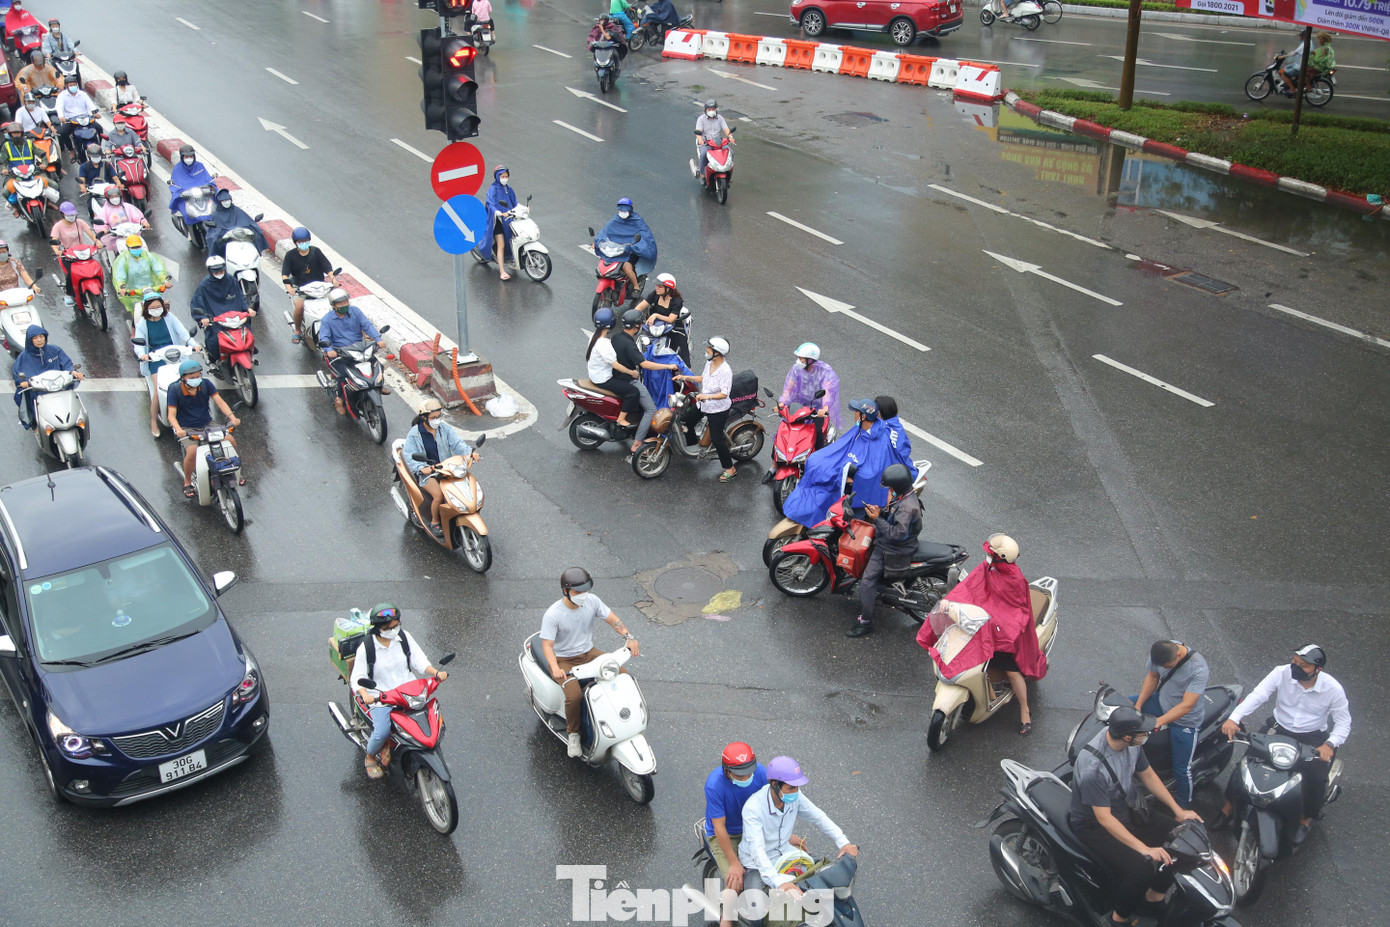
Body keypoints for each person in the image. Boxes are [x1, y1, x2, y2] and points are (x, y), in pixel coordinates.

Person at [1069, 706, 1202, 926]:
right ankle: (1117, 919)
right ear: (1128, 736)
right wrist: (1144, 849)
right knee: (1141, 869)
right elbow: (1104, 818)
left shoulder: (1131, 744)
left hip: (1126, 808)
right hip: (1094, 824)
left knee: (1180, 840)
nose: (1147, 735)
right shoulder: (1092, 769)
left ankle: (1153, 897)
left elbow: (1148, 775)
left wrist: (1179, 812)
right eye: (1143, 733)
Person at [1218, 644, 1350, 843]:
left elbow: (1343, 722)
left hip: (1312, 736)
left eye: (1303, 665)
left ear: (1318, 669)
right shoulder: (1281, 673)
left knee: (1316, 777)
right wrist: (1234, 718)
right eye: (1294, 662)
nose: (1295, 668)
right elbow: (1258, 695)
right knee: (1244, 766)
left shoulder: (1333, 689)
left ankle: (1306, 818)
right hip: (1278, 728)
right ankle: (1228, 808)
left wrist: (1329, 744)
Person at [917, 534, 1047, 733]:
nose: (987, 555)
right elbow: (969, 588)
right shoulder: (987, 567)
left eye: (991, 553)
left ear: (1000, 557)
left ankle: (1024, 710)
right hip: (981, 624)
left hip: (1004, 632)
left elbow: (1016, 610)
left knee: (1012, 671)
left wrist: (997, 624)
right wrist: (950, 603)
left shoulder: (1015, 579)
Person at [738, 756, 858, 927]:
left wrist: (843, 842)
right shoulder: (753, 809)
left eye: (797, 787)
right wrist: (781, 883)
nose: (795, 791)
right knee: (757, 915)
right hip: (757, 864)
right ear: (774, 784)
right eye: (791, 787)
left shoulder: (794, 796)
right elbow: (758, 852)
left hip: (784, 852)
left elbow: (818, 817)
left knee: (823, 879)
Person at [538, 568, 639, 758]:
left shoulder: (592, 601)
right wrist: (555, 668)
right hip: (564, 660)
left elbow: (613, 619)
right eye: (577, 592)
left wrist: (629, 636)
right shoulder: (553, 614)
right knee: (574, 696)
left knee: (624, 676)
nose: (582, 596)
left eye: (585, 591)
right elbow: (547, 645)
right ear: (566, 591)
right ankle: (573, 734)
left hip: (588, 653)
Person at [781, 398, 917, 531]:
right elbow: (843, 447)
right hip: (848, 470)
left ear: (863, 416)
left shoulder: (882, 439)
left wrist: (847, 473)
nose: (853, 414)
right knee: (816, 468)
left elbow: (872, 470)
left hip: (864, 489)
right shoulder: (860, 427)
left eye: (856, 412)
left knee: (848, 519)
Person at [351, 604, 448, 779]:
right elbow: (356, 677)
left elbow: (419, 660)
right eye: (389, 628)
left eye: (396, 625)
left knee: (428, 721)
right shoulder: (366, 648)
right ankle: (371, 756)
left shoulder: (404, 637)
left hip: (409, 692)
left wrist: (436, 673)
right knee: (381, 731)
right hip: (382, 696)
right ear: (378, 628)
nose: (394, 630)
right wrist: (365, 694)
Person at [846, 463, 923, 639]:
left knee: (866, 582)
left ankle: (865, 622)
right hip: (894, 542)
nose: (889, 490)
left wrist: (877, 519)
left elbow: (896, 535)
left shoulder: (906, 507)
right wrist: (880, 512)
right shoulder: (906, 496)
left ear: (897, 486)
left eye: (890, 487)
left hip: (892, 547)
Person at [1132, 639, 1209, 809]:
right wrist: (1137, 707)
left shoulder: (1199, 668)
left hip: (1185, 721)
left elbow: (1187, 705)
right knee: (1123, 708)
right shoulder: (1159, 651)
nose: (1165, 669)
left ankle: (1184, 807)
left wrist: (1158, 722)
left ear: (1179, 655)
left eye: (1168, 666)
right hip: (1161, 702)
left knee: (1182, 770)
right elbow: (1153, 676)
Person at [704, 742, 769, 927]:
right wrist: (734, 862)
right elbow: (719, 827)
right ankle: (726, 919)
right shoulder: (714, 785)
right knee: (736, 883)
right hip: (726, 835)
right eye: (740, 774)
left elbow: (772, 806)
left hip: (754, 827)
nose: (746, 776)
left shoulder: (761, 774)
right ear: (726, 771)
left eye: (749, 771)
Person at [402, 398, 477, 538]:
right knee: (439, 495)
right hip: (428, 473)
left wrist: (470, 453)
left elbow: (457, 443)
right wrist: (422, 467)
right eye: (433, 418)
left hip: (446, 468)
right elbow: (410, 455)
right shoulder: (414, 434)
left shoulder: (444, 429)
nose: (437, 420)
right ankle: (435, 522)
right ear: (424, 417)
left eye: (439, 416)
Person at [167, 357, 241, 497]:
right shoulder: (175, 390)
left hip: (207, 424)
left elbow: (219, 402)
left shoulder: (206, 384)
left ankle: (234, 472)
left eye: (198, 375)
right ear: (183, 378)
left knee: (230, 441)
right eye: (192, 377)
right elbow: (171, 415)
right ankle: (188, 482)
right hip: (187, 428)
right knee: (192, 451)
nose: (197, 378)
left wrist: (232, 417)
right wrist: (179, 429)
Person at [132, 291, 197, 437]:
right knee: (157, 390)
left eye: (158, 306)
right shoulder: (143, 324)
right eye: (152, 307)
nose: (156, 310)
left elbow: (184, 334)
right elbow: (139, 343)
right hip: (156, 359)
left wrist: (194, 345)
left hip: (175, 355)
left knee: (190, 382)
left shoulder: (170, 318)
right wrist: (142, 355)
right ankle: (154, 421)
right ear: (147, 309)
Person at [675, 336, 737, 482]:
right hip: (703, 403)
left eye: (708, 349)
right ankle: (692, 447)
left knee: (716, 438)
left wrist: (707, 397)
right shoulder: (709, 363)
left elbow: (724, 394)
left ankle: (730, 469)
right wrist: (685, 377)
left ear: (716, 352)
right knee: (685, 422)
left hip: (718, 409)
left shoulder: (725, 371)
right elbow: (703, 379)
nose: (706, 351)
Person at [612, 308, 670, 452]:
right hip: (628, 380)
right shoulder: (630, 345)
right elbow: (644, 364)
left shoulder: (616, 337)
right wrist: (667, 365)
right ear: (636, 326)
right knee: (651, 410)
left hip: (614, 376)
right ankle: (637, 443)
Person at [319, 288, 383, 415]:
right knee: (344, 375)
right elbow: (324, 337)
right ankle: (340, 399)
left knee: (377, 365)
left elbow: (367, 325)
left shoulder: (355, 312)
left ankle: (378, 386)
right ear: (333, 305)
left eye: (345, 302)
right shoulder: (327, 319)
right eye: (340, 303)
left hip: (360, 350)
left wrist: (378, 339)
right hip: (340, 353)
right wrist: (329, 349)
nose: (344, 305)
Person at [11, 325, 80, 430]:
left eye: (41, 337)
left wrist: (73, 372)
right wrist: (22, 382)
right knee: (25, 398)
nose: (39, 340)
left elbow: (66, 364)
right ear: (30, 340)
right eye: (35, 338)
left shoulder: (55, 350)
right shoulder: (24, 357)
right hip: (38, 392)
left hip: (59, 388)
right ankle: (34, 423)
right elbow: (18, 372)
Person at [190, 255, 252, 364]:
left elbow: (240, 296)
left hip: (235, 318)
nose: (219, 274)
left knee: (247, 334)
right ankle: (216, 362)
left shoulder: (231, 280)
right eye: (216, 272)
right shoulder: (204, 285)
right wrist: (202, 317)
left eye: (221, 271)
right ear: (210, 271)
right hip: (216, 321)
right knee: (214, 340)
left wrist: (248, 309)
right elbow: (197, 303)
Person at [585, 306, 640, 430]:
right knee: (633, 392)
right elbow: (616, 365)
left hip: (595, 375)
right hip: (603, 379)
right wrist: (632, 372)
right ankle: (621, 419)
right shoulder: (604, 343)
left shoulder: (594, 337)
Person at [594, 197, 656, 300]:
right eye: (621, 209)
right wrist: (597, 241)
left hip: (632, 250)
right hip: (618, 249)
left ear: (630, 209)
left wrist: (636, 245)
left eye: (625, 209)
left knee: (626, 267)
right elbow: (605, 231)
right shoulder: (616, 219)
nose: (623, 212)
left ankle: (636, 287)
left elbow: (645, 235)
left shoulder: (637, 221)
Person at [283, 226, 335, 344]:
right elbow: (285, 274)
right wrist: (289, 287)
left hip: (319, 288)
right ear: (295, 243)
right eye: (300, 242)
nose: (303, 243)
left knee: (335, 303)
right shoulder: (290, 255)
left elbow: (328, 267)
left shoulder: (316, 252)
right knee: (299, 306)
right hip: (300, 289)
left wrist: (333, 279)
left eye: (305, 241)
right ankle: (297, 330)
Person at [780, 342, 841, 441]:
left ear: (810, 359)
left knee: (817, 435)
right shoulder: (796, 368)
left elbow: (828, 390)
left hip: (816, 409)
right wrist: (782, 402)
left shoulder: (825, 371)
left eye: (801, 358)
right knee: (785, 430)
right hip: (798, 407)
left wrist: (825, 407)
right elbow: (789, 387)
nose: (799, 361)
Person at [632, 272, 689, 365]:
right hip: (653, 326)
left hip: (671, 327)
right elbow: (640, 307)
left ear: (668, 288)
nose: (657, 288)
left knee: (682, 342)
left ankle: (687, 370)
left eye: (660, 286)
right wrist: (633, 315)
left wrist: (656, 315)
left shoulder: (677, 301)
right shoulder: (655, 294)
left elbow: (671, 319)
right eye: (656, 286)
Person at [49, 202, 99, 305]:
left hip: (83, 252)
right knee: (71, 274)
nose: (71, 217)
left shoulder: (80, 222)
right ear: (62, 214)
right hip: (68, 254)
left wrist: (97, 242)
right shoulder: (58, 226)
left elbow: (90, 234)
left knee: (95, 268)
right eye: (69, 215)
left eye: (73, 214)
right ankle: (69, 294)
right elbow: (54, 241)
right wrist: (58, 251)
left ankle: (99, 288)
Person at [111, 233, 169, 315]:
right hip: (134, 294)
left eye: (138, 247)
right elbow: (119, 277)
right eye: (133, 247)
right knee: (137, 316)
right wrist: (121, 287)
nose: (136, 249)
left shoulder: (149, 256)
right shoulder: (123, 260)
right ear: (128, 247)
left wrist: (165, 281)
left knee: (163, 311)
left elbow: (159, 270)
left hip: (151, 291)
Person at [202, 187, 268, 258]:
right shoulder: (216, 215)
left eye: (228, 200)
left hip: (241, 237)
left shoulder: (236, 210)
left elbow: (248, 222)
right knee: (214, 241)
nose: (227, 202)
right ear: (219, 202)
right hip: (226, 241)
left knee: (256, 232)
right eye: (224, 201)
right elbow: (214, 232)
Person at [479, 165, 518, 279]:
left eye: (506, 176)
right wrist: (497, 212)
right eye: (502, 176)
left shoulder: (508, 189)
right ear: (497, 176)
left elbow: (514, 202)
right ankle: (502, 271)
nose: (504, 178)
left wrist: (523, 208)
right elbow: (490, 203)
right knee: (501, 245)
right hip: (497, 221)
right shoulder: (493, 189)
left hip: (508, 219)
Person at [55, 76, 100, 158]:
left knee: (99, 128)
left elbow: (90, 104)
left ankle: (98, 148)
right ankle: (71, 151)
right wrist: (61, 117)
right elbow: (59, 107)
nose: (73, 87)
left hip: (85, 119)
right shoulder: (62, 96)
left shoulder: (83, 94)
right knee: (62, 133)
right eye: (71, 85)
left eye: (74, 85)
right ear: (66, 86)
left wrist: (95, 112)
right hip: (71, 120)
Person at [93, 184, 148, 249]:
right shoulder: (104, 211)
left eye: (116, 196)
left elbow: (137, 216)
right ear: (108, 198)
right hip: (115, 238)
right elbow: (102, 223)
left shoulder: (128, 207)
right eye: (112, 197)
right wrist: (103, 230)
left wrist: (143, 222)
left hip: (132, 235)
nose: (115, 198)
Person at [168, 144, 214, 218]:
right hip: (187, 197)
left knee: (215, 207)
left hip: (202, 194)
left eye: (191, 157)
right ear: (182, 157)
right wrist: (180, 192)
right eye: (186, 157)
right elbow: (175, 184)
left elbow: (207, 179)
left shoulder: (199, 166)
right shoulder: (178, 168)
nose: (189, 159)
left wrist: (211, 185)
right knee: (184, 211)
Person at [694, 99, 733, 183]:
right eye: (709, 109)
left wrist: (730, 136)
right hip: (706, 143)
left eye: (713, 109)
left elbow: (725, 129)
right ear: (706, 110)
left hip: (718, 142)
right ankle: (703, 175)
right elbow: (698, 131)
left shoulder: (720, 118)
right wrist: (700, 140)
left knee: (730, 152)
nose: (711, 111)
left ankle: (728, 172)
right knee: (704, 155)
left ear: (716, 109)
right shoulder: (701, 119)